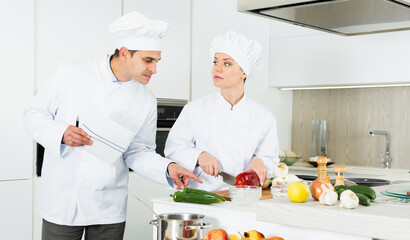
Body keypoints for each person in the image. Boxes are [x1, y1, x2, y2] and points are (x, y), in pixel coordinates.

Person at [23, 11, 201, 240]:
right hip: (64, 201)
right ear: (125, 53)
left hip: (109, 206)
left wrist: (167, 168)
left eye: (157, 61)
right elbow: (32, 114)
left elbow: (138, 152)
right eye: (148, 60)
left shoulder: (145, 98)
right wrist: (61, 133)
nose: (154, 69)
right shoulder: (69, 73)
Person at [164, 31, 279, 191]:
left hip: (244, 198)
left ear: (244, 72)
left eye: (226, 64)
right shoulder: (195, 109)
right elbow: (173, 149)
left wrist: (261, 161)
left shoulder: (263, 117)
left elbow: (271, 159)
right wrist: (199, 156)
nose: (217, 69)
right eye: (215, 62)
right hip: (201, 197)